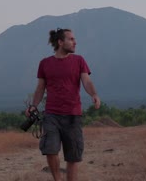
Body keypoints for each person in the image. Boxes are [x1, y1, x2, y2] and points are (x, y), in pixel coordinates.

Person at [25, 28, 101, 181]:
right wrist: (34, 105)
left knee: (72, 156)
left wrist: (93, 94)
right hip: (51, 114)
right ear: (60, 42)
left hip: (73, 114)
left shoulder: (79, 60)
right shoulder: (45, 63)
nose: (75, 42)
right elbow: (40, 87)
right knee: (50, 150)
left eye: (74, 39)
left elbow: (86, 81)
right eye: (71, 39)